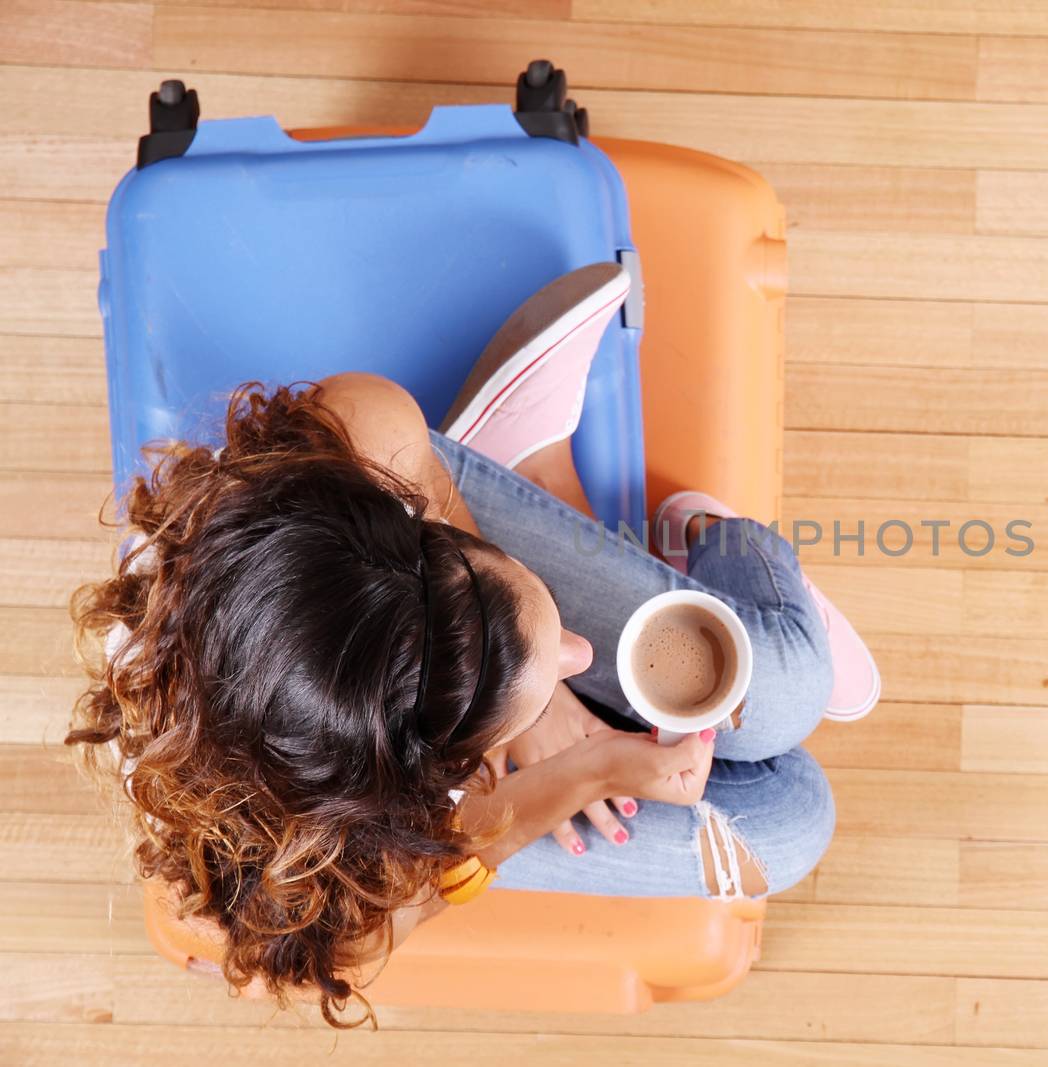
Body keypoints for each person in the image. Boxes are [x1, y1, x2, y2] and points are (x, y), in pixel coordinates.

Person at [64, 263, 880, 1027]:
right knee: (793, 825)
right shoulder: (322, 871)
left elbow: (405, 468)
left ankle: (566, 482)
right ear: (423, 779)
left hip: (384, 554)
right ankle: (622, 530)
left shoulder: (358, 439)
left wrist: (539, 705)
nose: (581, 657)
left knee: (788, 684)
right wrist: (582, 770)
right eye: (492, 727)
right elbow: (404, 905)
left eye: (539, 626)